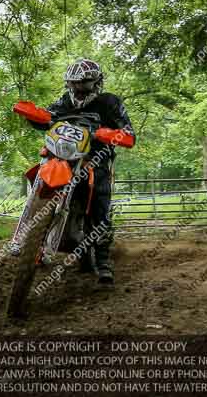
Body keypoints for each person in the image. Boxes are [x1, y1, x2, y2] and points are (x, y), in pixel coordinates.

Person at [28, 58, 136, 284]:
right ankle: (33, 244)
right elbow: (48, 117)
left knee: (99, 203)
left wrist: (111, 134)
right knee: (40, 175)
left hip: (94, 159)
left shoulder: (109, 102)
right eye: (73, 83)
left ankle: (103, 260)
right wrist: (35, 116)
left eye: (83, 83)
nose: (78, 88)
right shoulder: (64, 101)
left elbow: (128, 133)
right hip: (62, 157)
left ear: (96, 83)